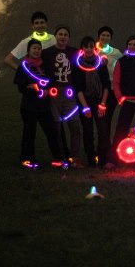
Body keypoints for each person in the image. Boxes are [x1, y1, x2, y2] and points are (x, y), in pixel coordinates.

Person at [13, 39, 63, 168]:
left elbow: (52, 80)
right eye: (34, 48)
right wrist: (32, 88)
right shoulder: (24, 66)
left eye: (38, 48)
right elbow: (21, 86)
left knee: (51, 131)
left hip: (44, 106)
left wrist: (47, 90)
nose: (36, 51)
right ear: (29, 50)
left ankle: (58, 158)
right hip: (29, 106)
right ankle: (28, 158)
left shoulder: (46, 65)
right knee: (29, 133)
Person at [41, 25, 83, 168]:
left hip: (69, 93)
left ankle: (75, 157)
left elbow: (86, 62)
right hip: (54, 93)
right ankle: (60, 158)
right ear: (55, 36)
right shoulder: (47, 53)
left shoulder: (75, 52)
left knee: (75, 125)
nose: (63, 37)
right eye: (60, 34)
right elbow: (36, 64)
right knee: (56, 127)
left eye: (65, 34)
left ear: (68, 37)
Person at [72, 36, 112, 168]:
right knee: (88, 131)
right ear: (82, 48)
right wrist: (85, 107)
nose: (89, 49)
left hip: (99, 100)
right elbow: (77, 87)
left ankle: (102, 158)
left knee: (103, 130)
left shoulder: (100, 63)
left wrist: (103, 104)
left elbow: (106, 84)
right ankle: (90, 159)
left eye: (91, 47)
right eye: (86, 46)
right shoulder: (78, 65)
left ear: (95, 48)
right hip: (85, 101)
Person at [95, 26, 123, 154]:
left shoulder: (116, 53)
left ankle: (106, 150)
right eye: (103, 35)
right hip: (97, 90)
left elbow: (122, 69)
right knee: (101, 122)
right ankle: (102, 150)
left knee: (107, 120)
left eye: (107, 36)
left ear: (111, 38)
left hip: (112, 90)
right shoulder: (93, 51)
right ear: (99, 36)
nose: (105, 38)